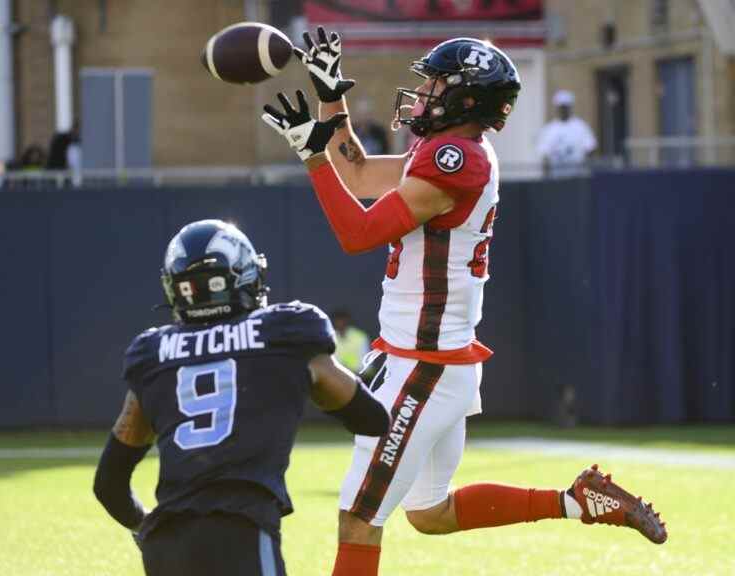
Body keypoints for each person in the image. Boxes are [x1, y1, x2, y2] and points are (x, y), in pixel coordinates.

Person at [262, 28, 667, 576]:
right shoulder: (443, 151)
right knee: (431, 512)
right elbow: (355, 172)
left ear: (466, 99)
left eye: (435, 84)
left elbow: (357, 232)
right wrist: (330, 95)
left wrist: (312, 158)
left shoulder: (457, 160)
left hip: (423, 365)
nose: (423, 93)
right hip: (431, 361)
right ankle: (577, 500)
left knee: (359, 519)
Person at [92, 219, 390, 576]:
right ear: (245, 275)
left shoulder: (154, 353)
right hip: (242, 533)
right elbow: (371, 419)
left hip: (165, 546)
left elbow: (109, 484)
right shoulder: (286, 334)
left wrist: (146, 526)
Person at [537, 89, 597, 178]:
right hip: (556, 178)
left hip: (578, 177)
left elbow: (590, 149)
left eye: (566, 107)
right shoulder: (550, 129)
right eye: (561, 107)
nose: (563, 110)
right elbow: (545, 156)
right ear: (557, 108)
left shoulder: (581, 127)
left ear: (570, 107)